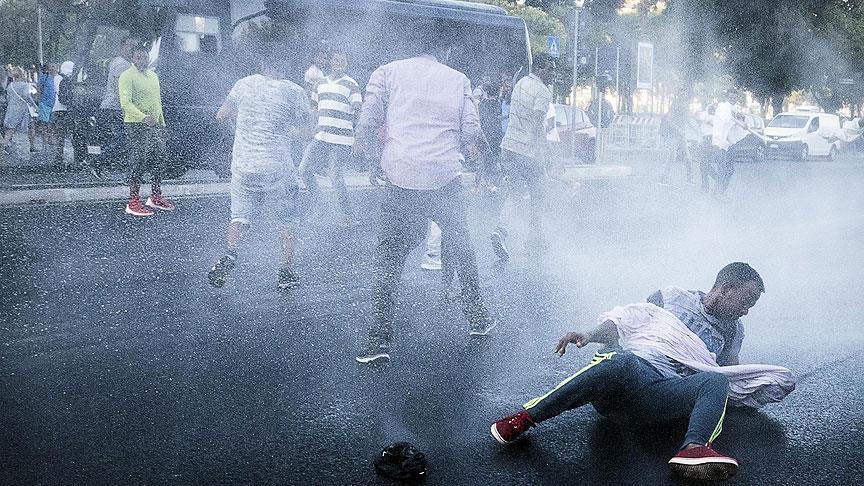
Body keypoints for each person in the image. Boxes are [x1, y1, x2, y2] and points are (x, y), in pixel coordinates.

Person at [490, 263, 770, 481]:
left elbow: (733, 373)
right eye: (746, 302)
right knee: (621, 361)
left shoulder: (733, 331)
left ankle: (694, 449)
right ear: (726, 288)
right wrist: (589, 334)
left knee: (716, 380)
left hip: (662, 396)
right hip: (628, 377)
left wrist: (757, 388)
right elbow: (629, 321)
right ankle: (523, 419)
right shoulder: (672, 297)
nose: (746, 311)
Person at [354, 24, 495, 364]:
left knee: (388, 257)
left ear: (409, 46)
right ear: (443, 51)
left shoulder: (387, 72)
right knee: (462, 246)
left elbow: (367, 122)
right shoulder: (458, 79)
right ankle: (477, 318)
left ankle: (378, 340)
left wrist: (373, 159)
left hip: (400, 174)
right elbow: (471, 131)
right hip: (444, 178)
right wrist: (483, 156)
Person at [207, 54, 312, 289]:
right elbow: (308, 129)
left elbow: (221, 115)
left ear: (262, 64)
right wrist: (287, 132)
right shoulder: (294, 91)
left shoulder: (243, 84)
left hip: (244, 165)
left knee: (240, 216)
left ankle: (230, 253)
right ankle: (285, 273)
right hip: (277, 166)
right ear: (286, 65)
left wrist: (240, 130)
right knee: (288, 220)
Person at [489, 55, 556, 261]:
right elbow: (537, 124)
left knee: (516, 193)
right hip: (527, 151)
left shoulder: (521, 83)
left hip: (508, 147)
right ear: (539, 69)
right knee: (540, 191)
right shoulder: (543, 92)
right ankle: (534, 236)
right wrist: (547, 150)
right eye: (550, 69)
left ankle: (501, 230)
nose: (553, 74)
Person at [299, 52, 362, 224]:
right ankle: (321, 206)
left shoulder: (352, 84)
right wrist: (311, 130)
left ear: (346, 64)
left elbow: (358, 112)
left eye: (342, 61)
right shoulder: (319, 84)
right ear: (330, 62)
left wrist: (358, 138)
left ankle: (348, 215)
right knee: (304, 170)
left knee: (335, 176)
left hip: (342, 139)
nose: (338, 63)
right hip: (321, 136)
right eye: (336, 60)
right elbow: (313, 109)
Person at [118, 47, 175, 216]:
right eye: (138, 58)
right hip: (136, 124)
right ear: (132, 59)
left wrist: (162, 124)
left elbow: (157, 102)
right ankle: (133, 202)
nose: (142, 61)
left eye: (145, 57)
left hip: (155, 125)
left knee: (159, 159)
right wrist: (143, 117)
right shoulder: (127, 76)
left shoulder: (153, 76)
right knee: (138, 161)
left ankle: (155, 196)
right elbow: (125, 103)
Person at [96, 36, 138, 178]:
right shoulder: (122, 64)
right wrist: (126, 108)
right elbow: (118, 88)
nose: (132, 48)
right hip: (115, 107)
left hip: (113, 107)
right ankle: (98, 162)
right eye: (130, 45)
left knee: (119, 139)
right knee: (124, 139)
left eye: (135, 46)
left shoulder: (123, 63)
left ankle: (107, 166)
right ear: (122, 46)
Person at [658, 96, 694, 186]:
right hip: (672, 136)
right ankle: (663, 179)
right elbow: (669, 120)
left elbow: (688, 121)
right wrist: (679, 129)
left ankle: (689, 178)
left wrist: (696, 130)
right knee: (672, 157)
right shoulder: (675, 106)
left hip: (681, 136)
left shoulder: (684, 108)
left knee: (688, 157)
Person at [3, 67, 38, 155]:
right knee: (31, 127)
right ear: (22, 74)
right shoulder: (25, 85)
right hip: (23, 109)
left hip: (12, 109)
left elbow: (8, 98)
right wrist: (34, 105)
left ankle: (4, 145)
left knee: (10, 129)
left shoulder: (10, 85)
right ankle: (32, 146)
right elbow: (27, 96)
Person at [711, 91, 738, 194]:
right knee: (722, 167)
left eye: (735, 98)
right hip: (721, 143)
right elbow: (726, 120)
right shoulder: (722, 107)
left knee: (730, 169)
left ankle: (722, 189)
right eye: (731, 97)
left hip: (730, 143)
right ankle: (717, 190)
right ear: (727, 98)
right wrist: (737, 120)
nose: (733, 100)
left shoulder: (734, 109)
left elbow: (737, 124)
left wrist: (741, 120)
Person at [51, 61, 76, 168]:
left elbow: (57, 92)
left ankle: (59, 156)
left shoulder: (57, 78)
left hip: (57, 109)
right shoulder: (71, 79)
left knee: (60, 135)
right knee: (72, 133)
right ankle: (76, 156)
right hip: (68, 109)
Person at [36, 63, 58, 145]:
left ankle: (51, 137)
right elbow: (39, 88)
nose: (52, 68)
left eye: (53, 66)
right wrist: (39, 99)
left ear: (57, 68)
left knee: (52, 123)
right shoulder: (44, 77)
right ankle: (45, 139)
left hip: (56, 104)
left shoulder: (58, 78)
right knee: (44, 122)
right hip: (45, 103)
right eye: (50, 66)